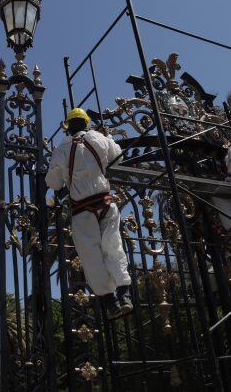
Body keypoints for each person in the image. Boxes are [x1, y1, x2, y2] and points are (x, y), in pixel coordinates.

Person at [45, 108, 133, 319]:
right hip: (105, 203)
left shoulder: (61, 149)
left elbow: (53, 183)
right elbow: (118, 157)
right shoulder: (100, 138)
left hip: (81, 209)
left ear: (68, 126)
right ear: (86, 123)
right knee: (113, 245)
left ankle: (110, 301)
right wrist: (108, 137)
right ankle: (125, 292)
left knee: (91, 254)